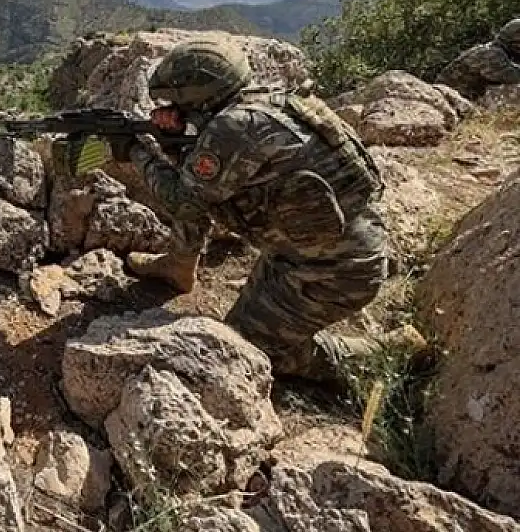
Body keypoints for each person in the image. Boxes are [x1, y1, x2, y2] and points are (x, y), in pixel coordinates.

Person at [113, 39, 393, 384]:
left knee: (246, 353)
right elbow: (207, 182)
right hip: (314, 246)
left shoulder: (232, 128)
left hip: (333, 270)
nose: (172, 107)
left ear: (200, 97)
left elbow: (183, 200)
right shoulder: (264, 102)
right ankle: (178, 266)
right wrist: (177, 139)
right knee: (202, 194)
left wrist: (137, 151)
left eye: (178, 101)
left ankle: (386, 353)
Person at [435, 18, 520, 100]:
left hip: (454, 98)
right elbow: (511, 76)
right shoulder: (492, 54)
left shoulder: (493, 51)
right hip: (445, 98)